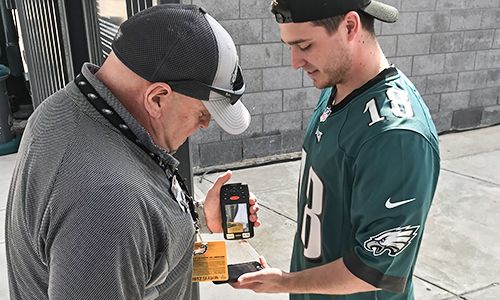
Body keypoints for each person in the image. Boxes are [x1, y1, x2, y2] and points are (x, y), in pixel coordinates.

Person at [5, 4, 260, 300]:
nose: (204, 125)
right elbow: (112, 221)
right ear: (157, 98)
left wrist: (201, 218)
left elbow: (140, 258)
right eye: (203, 113)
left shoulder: (66, 108)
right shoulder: (108, 203)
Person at [233, 0, 440, 299]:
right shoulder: (338, 84)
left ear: (350, 27)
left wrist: (285, 282)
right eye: (289, 45)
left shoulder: (397, 137)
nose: (294, 61)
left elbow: (374, 270)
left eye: (304, 45)